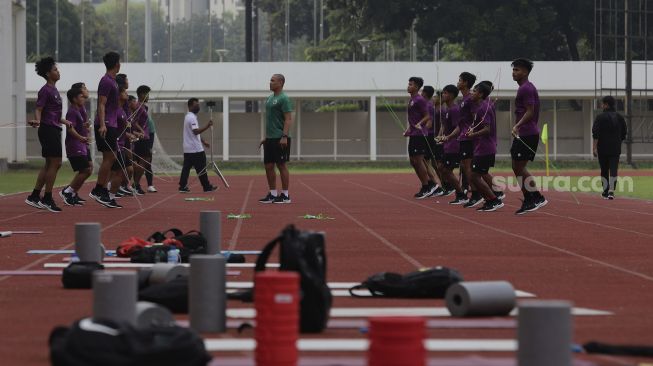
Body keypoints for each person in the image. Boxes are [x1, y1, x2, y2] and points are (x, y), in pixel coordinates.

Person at [25, 57, 71, 212]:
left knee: (49, 164)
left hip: (54, 128)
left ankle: (35, 195)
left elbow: (54, 114)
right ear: (48, 73)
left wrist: (65, 122)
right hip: (48, 129)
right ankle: (47, 198)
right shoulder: (45, 90)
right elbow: (39, 109)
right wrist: (38, 120)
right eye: (55, 70)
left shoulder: (55, 90)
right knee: (56, 163)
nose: (58, 72)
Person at [510, 58, 547, 214]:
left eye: (517, 70)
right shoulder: (526, 88)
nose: (514, 73)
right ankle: (532, 198)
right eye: (513, 70)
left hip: (527, 132)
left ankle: (534, 197)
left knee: (518, 166)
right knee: (517, 166)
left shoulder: (526, 88)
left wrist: (517, 125)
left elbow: (530, 111)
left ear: (525, 72)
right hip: (526, 132)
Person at [465, 82, 503, 212]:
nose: (472, 93)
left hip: (485, 147)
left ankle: (493, 199)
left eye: (474, 91)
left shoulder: (483, 108)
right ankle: (491, 199)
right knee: (476, 174)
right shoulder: (485, 106)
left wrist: (473, 134)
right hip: (484, 147)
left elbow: (487, 129)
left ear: (481, 94)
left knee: (474, 176)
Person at [90, 51, 121, 207]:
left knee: (111, 158)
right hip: (106, 124)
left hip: (112, 124)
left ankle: (101, 189)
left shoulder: (113, 81)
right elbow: (101, 104)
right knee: (109, 158)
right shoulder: (106, 81)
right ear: (117, 64)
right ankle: (98, 189)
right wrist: (102, 124)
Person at [258, 74, 294, 204]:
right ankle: (273, 194)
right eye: (270, 80)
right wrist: (266, 138)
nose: (270, 82)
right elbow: (271, 120)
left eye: (273, 81)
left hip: (280, 138)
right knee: (268, 165)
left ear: (280, 82)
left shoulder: (284, 98)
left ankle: (285, 195)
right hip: (271, 138)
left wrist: (284, 136)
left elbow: (288, 119)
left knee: (281, 165)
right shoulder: (269, 98)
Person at [59, 86, 92, 206]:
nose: (83, 98)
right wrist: (80, 138)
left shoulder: (78, 109)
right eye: (81, 96)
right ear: (74, 99)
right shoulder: (72, 111)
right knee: (86, 170)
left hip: (81, 144)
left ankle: (71, 192)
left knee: (88, 169)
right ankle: (68, 191)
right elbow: (70, 129)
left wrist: (85, 126)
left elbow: (78, 126)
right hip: (75, 145)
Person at [404, 77, 435, 199]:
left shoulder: (420, 100)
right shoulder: (412, 100)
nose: (408, 86)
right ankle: (429, 183)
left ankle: (426, 186)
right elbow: (414, 118)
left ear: (417, 87)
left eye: (411, 84)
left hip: (420, 135)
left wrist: (419, 124)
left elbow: (427, 116)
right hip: (414, 134)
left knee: (418, 160)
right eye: (408, 84)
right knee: (413, 161)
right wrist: (409, 129)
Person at [436, 84, 468, 205]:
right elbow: (444, 126)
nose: (442, 95)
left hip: (454, 145)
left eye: (444, 93)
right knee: (442, 168)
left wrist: (448, 137)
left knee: (446, 169)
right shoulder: (447, 110)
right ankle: (459, 192)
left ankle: (461, 194)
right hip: (447, 145)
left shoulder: (455, 109)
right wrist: (440, 136)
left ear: (451, 95)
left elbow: (458, 127)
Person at [592, 95, 627, 200]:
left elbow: (595, 133)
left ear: (606, 104)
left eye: (602, 104)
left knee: (604, 169)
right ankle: (612, 191)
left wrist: (594, 148)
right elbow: (624, 133)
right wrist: (617, 142)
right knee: (613, 168)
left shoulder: (600, 117)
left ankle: (605, 191)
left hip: (602, 148)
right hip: (615, 148)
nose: (601, 105)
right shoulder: (620, 117)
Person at [178, 98, 217, 193]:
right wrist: (207, 126)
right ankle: (206, 187)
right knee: (202, 168)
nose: (198, 107)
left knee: (186, 168)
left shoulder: (188, 116)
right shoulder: (191, 117)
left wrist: (203, 141)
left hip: (188, 148)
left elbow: (193, 133)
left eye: (198, 105)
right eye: (196, 105)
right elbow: (195, 132)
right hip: (195, 149)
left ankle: (182, 186)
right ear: (190, 106)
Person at [457, 71, 482, 206]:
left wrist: (472, 131)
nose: (458, 82)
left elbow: (475, 117)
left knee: (468, 168)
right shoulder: (463, 99)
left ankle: (476, 194)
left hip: (468, 138)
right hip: (463, 137)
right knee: (465, 167)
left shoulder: (470, 99)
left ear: (465, 83)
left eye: (460, 80)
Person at [421, 86, 445, 196]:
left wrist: (439, 137)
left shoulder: (437, 109)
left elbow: (439, 125)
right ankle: (439, 184)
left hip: (432, 137)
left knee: (433, 162)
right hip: (432, 137)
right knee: (431, 162)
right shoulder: (432, 107)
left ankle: (439, 185)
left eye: (436, 96)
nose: (434, 98)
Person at [132, 85, 152, 195]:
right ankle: (135, 184)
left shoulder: (144, 107)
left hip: (145, 136)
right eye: (147, 94)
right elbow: (133, 121)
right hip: (141, 137)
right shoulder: (138, 106)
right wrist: (141, 131)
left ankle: (136, 184)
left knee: (145, 160)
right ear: (141, 94)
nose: (148, 96)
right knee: (144, 160)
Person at [145, 114, 158, 192]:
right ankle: (134, 185)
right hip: (134, 144)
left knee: (147, 165)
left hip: (145, 144)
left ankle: (150, 185)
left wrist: (150, 147)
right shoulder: (131, 116)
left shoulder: (148, 120)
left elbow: (152, 133)